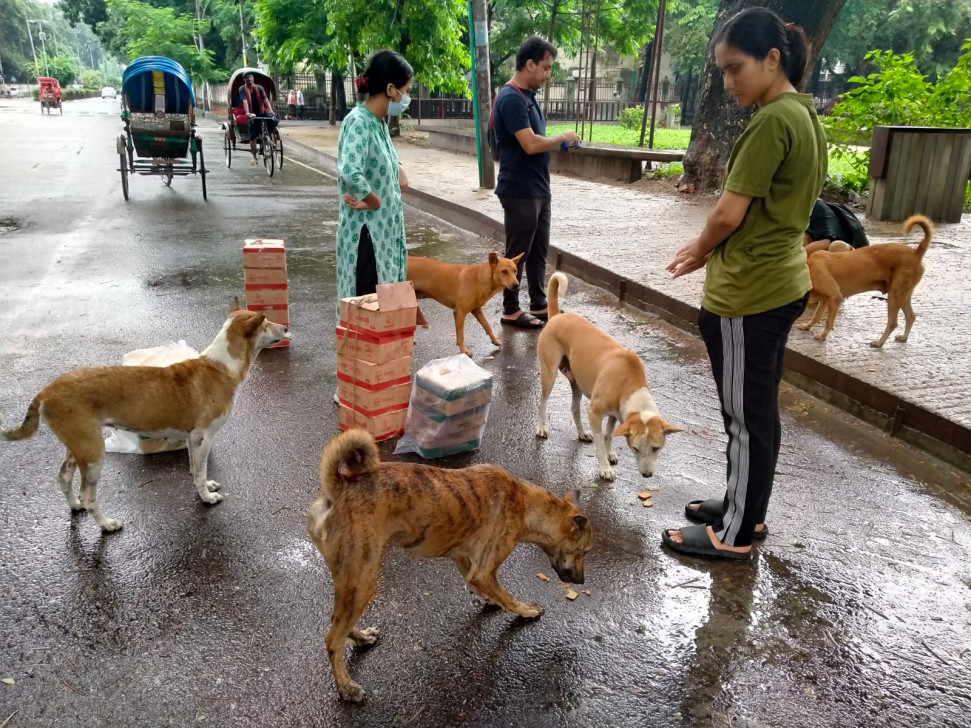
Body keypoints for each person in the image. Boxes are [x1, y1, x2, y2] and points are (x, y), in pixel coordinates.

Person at [663, 8, 827, 560]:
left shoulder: (772, 120)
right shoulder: (803, 114)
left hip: (750, 294)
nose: (729, 81)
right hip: (779, 282)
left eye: (735, 68)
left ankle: (733, 534)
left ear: (772, 59)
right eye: (723, 71)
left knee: (744, 418)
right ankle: (744, 509)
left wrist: (699, 248)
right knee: (756, 413)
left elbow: (728, 213)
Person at [493, 37, 580, 329]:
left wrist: (559, 143)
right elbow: (530, 144)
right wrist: (560, 138)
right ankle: (510, 309)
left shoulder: (528, 96)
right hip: (519, 190)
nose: (548, 74)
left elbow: (537, 141)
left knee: (539, 250)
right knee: (517, 252)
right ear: (529, 64)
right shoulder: (511, 98)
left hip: (538, 188)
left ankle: (539, 303)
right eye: (545, 67)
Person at [336, 49, 412, 304]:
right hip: (367, 235)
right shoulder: (359, 122)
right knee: (366, 307)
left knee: (384, 306)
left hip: (384, 233)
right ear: (391, 89)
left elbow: (386, 165)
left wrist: (398, 171)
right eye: (406, 91)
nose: (406, 98)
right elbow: (350, 170)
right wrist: (373, 200)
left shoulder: (378, 122)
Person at [803, 198, 870, 254]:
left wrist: (797, 256)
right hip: (825, 254)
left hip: (853, 253)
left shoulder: (818, 208)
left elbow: (824, 243)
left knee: (837, 246)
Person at [239, 74, 278, 166]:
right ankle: (254, 157)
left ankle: (268, 136)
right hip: (251, 114)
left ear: (253, 78)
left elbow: (265, 99)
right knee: (253, 137)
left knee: (274, 121)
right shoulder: (242, 89)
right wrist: (247, 113)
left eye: (250, 77)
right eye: (246, 77)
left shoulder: (259, 88)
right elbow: (245, 101)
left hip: (261, 111)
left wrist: (271, 110)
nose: (249, 79)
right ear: (244, 79)